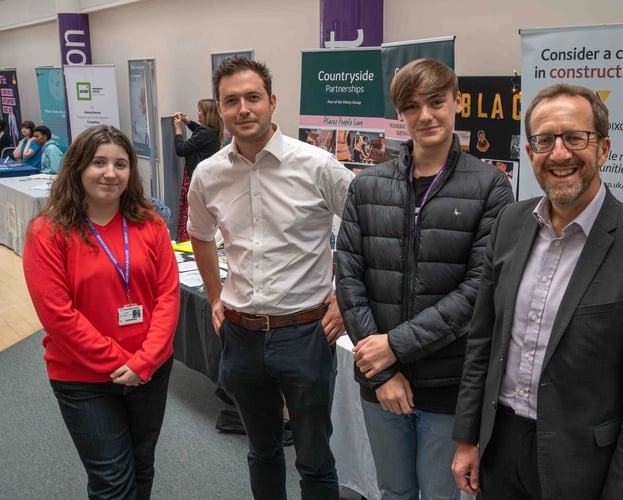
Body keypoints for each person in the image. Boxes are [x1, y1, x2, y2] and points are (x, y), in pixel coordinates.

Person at [451, 83, 623, 500]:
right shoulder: (509, 223)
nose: (559, 154)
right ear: (530, 153)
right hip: (500, 447)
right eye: (544, 140)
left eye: (575, 138)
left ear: (603, 149)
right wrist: (468, 437)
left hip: (582, 465)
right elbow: (482, 342)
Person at [335, 58, 514, 500]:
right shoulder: (367, 185)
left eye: (436, 102)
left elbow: (478, 290)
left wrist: (396, 345)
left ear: (457, 102)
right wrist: (384, 370)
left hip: (447, 384)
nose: (426, 116)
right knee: (394, 492)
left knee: (439, 495)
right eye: (412, 107)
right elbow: (349, 278)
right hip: (380, 381)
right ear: (400, 114)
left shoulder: (491, 186)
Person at [187, 55, 354, 499]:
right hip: (240, 336)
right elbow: (200, 235)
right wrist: (216, 297)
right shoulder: (209, 173)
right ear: (220, 109)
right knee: (261, 452)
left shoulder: (318, 166)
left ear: (272, 102)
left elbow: (365, 233)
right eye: (231, 100)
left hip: (305, 333)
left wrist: (344, 299)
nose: (243, 109)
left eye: (253, 98)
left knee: (315, 458)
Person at [22, 124, 179, 499]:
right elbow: (58, 316)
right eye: (98, 162)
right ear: (77, 167)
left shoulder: (149, 223)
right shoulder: (48, 232)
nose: (110, 173)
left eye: (121, 164)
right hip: (82, 378)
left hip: (151, 370)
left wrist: (145, 361)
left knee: (143, 466)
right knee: (111, 480)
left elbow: (168, 296)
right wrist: (119, 360)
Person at [172, 99, 223, 241]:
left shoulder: (204, 133)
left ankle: (187, 241)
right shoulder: (214, 131)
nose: (198, 113)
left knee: (191, 214)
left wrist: (178, 129)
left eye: (200, 111)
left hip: (195, 178)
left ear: (207, 115)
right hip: (206, 179)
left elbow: (181, 150)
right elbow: (199, 131)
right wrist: (187, 121)